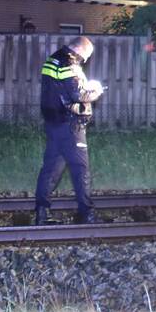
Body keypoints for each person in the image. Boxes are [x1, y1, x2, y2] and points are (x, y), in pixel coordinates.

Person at [35, 36, 104, 225]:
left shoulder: (52, 59)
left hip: (53, 122)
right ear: (81, 50)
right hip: (70, 124)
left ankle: (41, 214)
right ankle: (87, 214)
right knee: (81, 170)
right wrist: (95, 91)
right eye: (86, 57)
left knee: (51, 169)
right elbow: (77, 93)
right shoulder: (70, 63)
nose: (86, 61)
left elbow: (59, 91)